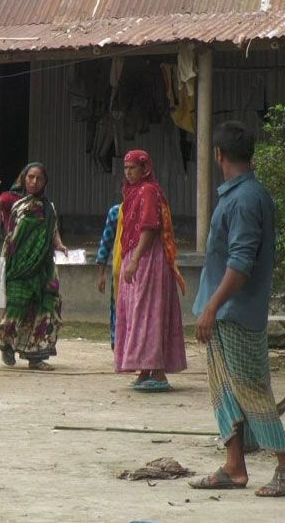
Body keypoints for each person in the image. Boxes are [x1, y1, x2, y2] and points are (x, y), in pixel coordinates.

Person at [188, 121, 285, 497]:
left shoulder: (245, 199)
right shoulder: (243, 195)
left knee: (251, 389)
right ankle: (234, 465)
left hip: (235, 312)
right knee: (224, 389)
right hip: (227, 312)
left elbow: (241, 263)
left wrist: (211, 306)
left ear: (219, 154)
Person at [113, 150, 187, 391]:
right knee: (137, 312)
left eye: (133, 168)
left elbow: (149, 227)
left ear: (145, 169)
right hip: (135, 256)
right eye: (126, 168)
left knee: (148, 311)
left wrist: (134, 260)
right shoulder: (132, 192)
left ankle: (158, 371)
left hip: (147, 258)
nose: (128, 173)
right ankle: (145, 369)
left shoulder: (148, 191)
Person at [0, 163, 65, 370]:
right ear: (23, 178)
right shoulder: (12, 200)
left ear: (45, 182)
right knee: (16, 305)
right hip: (17, 263)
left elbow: (52, 230)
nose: (34, 182)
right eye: (30, 177)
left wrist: (60, 244)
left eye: (39, 178)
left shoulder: (48, 206)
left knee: (47, 304)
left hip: (43, 264)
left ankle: (35, 355)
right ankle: (6, 344)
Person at [95, 202, 121, 348]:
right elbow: (106, 243)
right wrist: (101, 274)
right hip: (121, 269)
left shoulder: (147, 209)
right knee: (117, 308)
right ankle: (117, 344)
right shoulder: (116, 212)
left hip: (145, 271)